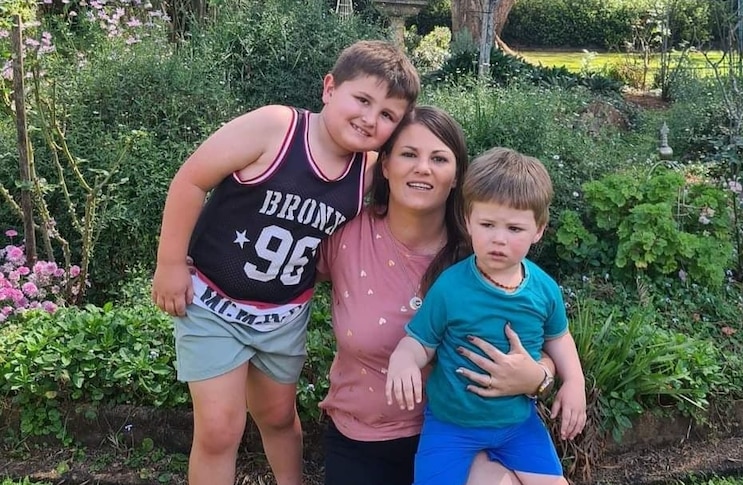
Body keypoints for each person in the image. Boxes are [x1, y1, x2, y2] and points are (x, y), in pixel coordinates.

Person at [150, 40, 419, 485]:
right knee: (220, 429)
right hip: (215, 303)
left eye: (388, 115)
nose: (371, 119)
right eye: (363, 100)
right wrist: (170, 263)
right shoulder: (276, 129)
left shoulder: (369, 171)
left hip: (284, 315)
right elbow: (192, 179)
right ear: (330, 87)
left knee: (277, 416)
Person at [316, 106, 559, 485]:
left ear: (457, 175)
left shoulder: (481, 256)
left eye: (439, 158)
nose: (423, 168)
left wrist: (538, 379)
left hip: (460, 434)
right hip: (362, 438)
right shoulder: (347, 236)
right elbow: (281, 278)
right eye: (409, 154)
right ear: (385, 164)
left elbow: (543, 342)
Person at [386, 147, 588, 485]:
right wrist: (404, 360)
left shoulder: (543, 289)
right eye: (487, 224)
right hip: (451, 426)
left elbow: (558, 337)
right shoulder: (450, 287)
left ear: (539, 229)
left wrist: (575, 383)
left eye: (514, 228)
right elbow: (421, 342)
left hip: (517, 426)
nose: (498, 239)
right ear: (468, 220)